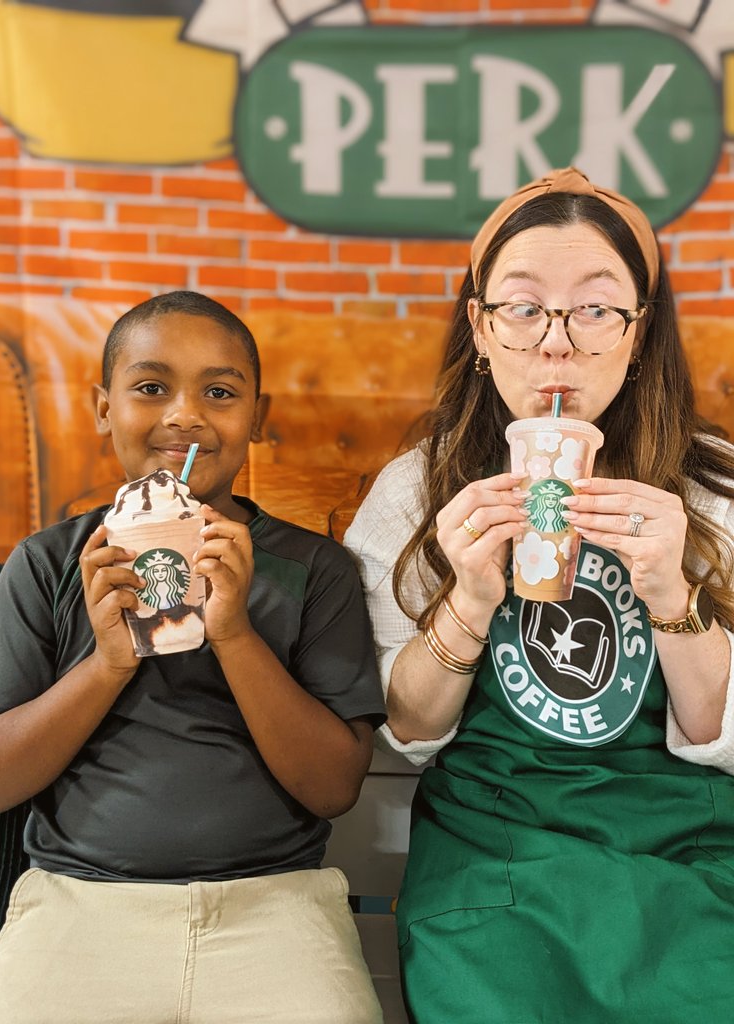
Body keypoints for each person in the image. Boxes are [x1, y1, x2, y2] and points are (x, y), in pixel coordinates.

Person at [344, 167, 734, 1023]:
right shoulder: (419, 491)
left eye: (596, 309)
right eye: (523, 308)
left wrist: (674, 592)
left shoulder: (713, 493)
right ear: (481, 330)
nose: (557, 341)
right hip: (498, 858)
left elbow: (724, 736)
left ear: (639, 336)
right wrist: (471, 597)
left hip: (690, 856)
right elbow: (402, 731)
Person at [0, 290, 386, 1024]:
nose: (185, 414)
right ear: (104, 407)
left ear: (257, 416)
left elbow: (333, 788)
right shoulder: (49, 565)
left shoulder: (313, 571)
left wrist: (233, 635)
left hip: (272, 903)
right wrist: (107, 663)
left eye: (219, 392)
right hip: (78, 901)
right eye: (151, 387)